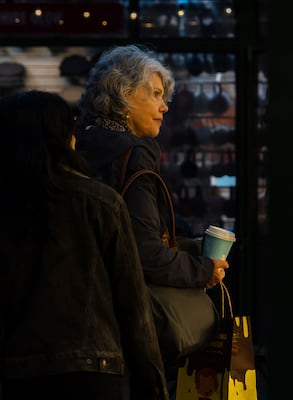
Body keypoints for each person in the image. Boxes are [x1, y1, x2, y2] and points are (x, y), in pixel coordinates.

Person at [74, 45, 229, 395]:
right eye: (156, 95)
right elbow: (143, 252)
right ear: (125, 95)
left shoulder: (76, 143)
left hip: (73, 324)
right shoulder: (133, 153)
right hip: (122, 332)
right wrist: (204, 269)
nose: (165, 106)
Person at [0, 90, 169, 400]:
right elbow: (134, 310)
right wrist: (153, 388)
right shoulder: (101, 203)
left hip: (17, 376)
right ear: (64, 139)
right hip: (95, 373)